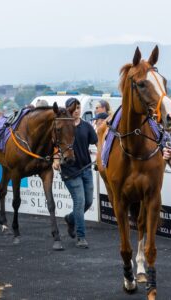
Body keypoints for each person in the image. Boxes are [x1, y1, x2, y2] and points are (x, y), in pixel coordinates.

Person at [53, 97, 98, 248]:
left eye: (78, 108)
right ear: (68, 110)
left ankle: (70, 219)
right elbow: (54, 144)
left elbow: (98, 143)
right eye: (74, 108)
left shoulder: (86, 127)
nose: (77, 111)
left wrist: (101, 155)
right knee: (79, 202)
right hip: (70, 171)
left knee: (88, 202)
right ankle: (81, 237)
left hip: (86, 169)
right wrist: (56, 159)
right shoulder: (62, 126)